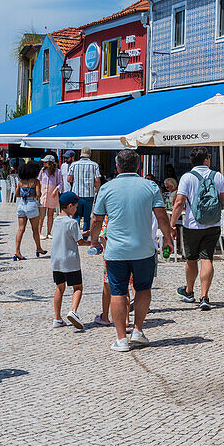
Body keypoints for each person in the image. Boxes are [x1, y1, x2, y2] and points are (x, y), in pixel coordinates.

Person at [89, 149, 172, 349]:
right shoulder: (150, 186)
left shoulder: (106, 188)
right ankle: (138, 330)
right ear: (138, 166)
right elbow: (161, 216)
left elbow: (97, 219)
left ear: (117, 166)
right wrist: (168, 238)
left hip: (115, 251)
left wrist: (94, 242)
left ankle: (121, 339)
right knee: (143, 289)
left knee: (118, 291)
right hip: (143, 249)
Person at [171, 147, 224, 311]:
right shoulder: (218, 176)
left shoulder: (187, 177)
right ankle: (204, 296)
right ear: (206, 159)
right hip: (212, 224)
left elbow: (179, 203)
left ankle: (189, 291)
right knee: (207, 258)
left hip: (192, 225)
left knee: (191, 260)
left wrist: (172, 224)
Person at [51, 192, 90, 330]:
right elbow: (79, 242)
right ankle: (73, 311)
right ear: (69, 205)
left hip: (56, 260)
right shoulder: (73, 222)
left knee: (59, 288)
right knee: (78, 287)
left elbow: (65, 234)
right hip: (70, 260)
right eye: (75, 206)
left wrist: (82, 233)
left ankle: (57, 318)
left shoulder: (56, 221)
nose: (76, 209)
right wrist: (91, 243)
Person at [13, 160, 46, 261]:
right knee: (35, 229)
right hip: (31, 204)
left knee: (20, 229)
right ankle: (38, 248)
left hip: (22, 204)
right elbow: (38, 194)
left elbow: (16, 194)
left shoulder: (20, 182)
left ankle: (17, 251)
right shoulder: (35, 181)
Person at [68, 146, 102, 242]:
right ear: (90, 155)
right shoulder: (94, 165)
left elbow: (69, 179)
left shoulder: (74, 165)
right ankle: (85, 236)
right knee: (87, 216)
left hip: (76, 194)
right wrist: (98, 191)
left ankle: (76, 236)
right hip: (89, 194)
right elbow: (97, 180)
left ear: (81, 154)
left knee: (76, 215)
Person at [39, 155, 63, 240]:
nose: (44, 163)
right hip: (43, 194)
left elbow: (60, 183)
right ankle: (39, 232)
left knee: (50, 214)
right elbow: (39, 180)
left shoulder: (58, 172)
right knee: (42, 214)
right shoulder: (42, 171)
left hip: (52, 194)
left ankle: (49, 232)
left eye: (45, 162)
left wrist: (55, 190)